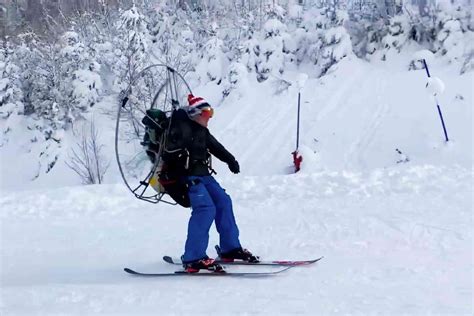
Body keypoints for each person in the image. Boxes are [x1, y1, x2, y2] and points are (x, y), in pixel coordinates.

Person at [162, 94, 259, 273]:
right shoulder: (181, 128)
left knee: (223, 202)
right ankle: (193, 257)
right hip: (189, 178)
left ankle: (230, 248)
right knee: (205, 209)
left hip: (204, 175)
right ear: (196, 114)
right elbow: (168, 152)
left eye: (211, 113)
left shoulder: (202, 131)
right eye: (207, 113)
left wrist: (231, 160)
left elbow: (216, 147)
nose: (210, 117)